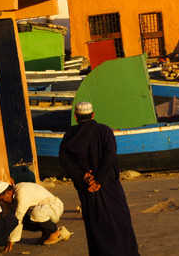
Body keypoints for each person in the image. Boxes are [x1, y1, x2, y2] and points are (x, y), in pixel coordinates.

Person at [59, 101, 139, 255]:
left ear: (76, 117)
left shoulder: (70, 136)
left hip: (87, 188)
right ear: (93, 115)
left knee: (96, 226)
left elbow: (64, 161)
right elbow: (110, 156)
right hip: (108, 186)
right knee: (119, 222)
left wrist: (84, 177)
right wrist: (99, 179)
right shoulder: (104, 131)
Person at [0, 180, 68, 251]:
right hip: (43, 209)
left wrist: (11, 240)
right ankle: (46, 231)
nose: (2, 202)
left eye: (2, 199)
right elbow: (8, 216)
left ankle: (55, 232)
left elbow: (18, 217)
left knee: (36, 214)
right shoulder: (12, 196)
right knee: (25, 219)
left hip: (54, 207)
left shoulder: (21, 192)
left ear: (8, 193)